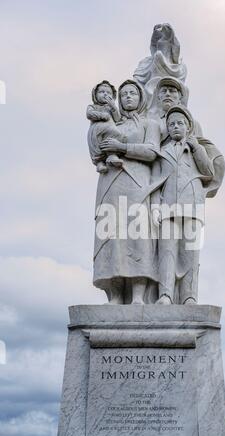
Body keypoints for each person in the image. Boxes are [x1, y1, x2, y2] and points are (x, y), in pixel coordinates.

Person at [92, 79, 161, 304]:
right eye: (123, 95)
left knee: (138, 236)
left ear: (140, 97)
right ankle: (116, 294)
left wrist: (121, 148)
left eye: (132, 93)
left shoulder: (149, 124)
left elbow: (152, 152)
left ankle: (139, 294)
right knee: (113, 236)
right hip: (110, 183)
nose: (128, 97)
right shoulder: (112, 123)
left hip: (137, 185)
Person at [151, 105, 215, 305]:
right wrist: (154, 206)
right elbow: (154, 181)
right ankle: (166, 294)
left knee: (190, 253)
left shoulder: (196, 149)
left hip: (192, 206)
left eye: (180, 123)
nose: (176, 127)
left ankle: (189, 296)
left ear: (188, 127)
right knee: (167, 252)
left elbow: (209, 172)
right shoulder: (162, 152)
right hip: (168, 207)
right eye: (171, 124)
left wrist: (196, 147)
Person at [87, 80, 124, 174]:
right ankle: (99, 163)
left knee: (117, 135)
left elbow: (118, 119)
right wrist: (102, 115)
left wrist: (113, 108)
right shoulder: (93, 106)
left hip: (110, 129)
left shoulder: (111, 108)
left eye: (108, 93)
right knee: (96, 146)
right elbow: (89, 114)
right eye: (101, 92)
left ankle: (112, 155)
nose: (105, 94)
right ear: (95, 95)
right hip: (96, 130)